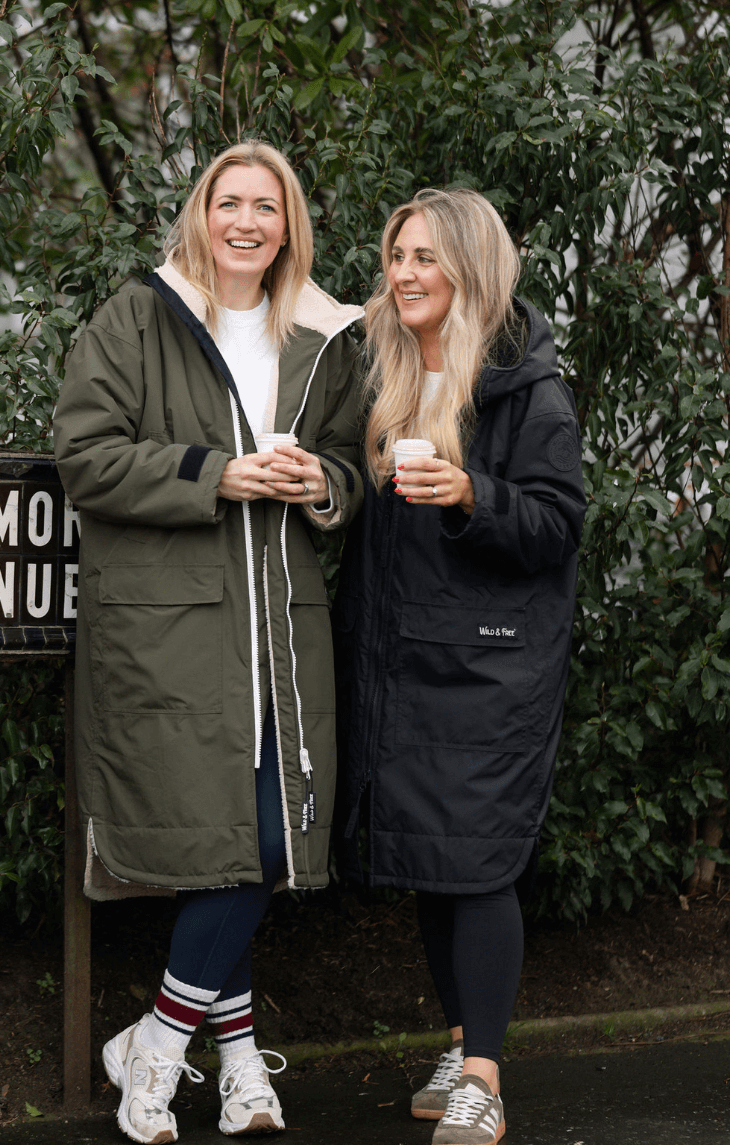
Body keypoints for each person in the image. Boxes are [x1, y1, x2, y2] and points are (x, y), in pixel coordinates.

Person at [54, 140, 365, 1142]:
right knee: (228, 850)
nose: (245, 222)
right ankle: (224, 1061)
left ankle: (163, 1042)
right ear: (201, 212)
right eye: (228, 202)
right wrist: (216, 475)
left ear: (288, 225)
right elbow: (86, 457)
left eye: (265, 207)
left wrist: (320, 483)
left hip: (283, 628)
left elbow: (353, 466)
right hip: (171, 629)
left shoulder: (325, 333)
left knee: (263, 841)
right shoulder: (135, 318)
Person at [333, 188, 586, 1145]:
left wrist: (473, 492)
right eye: (396, 256)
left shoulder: (527, 390)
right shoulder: (389, 373)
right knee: (430, 863)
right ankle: (459, 1042)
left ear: (471, 270)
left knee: (477, 865)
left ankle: (484, 1075)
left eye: (425, 258)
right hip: (400, 663)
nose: (404, 274)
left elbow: (559, 523)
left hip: (490, 673)